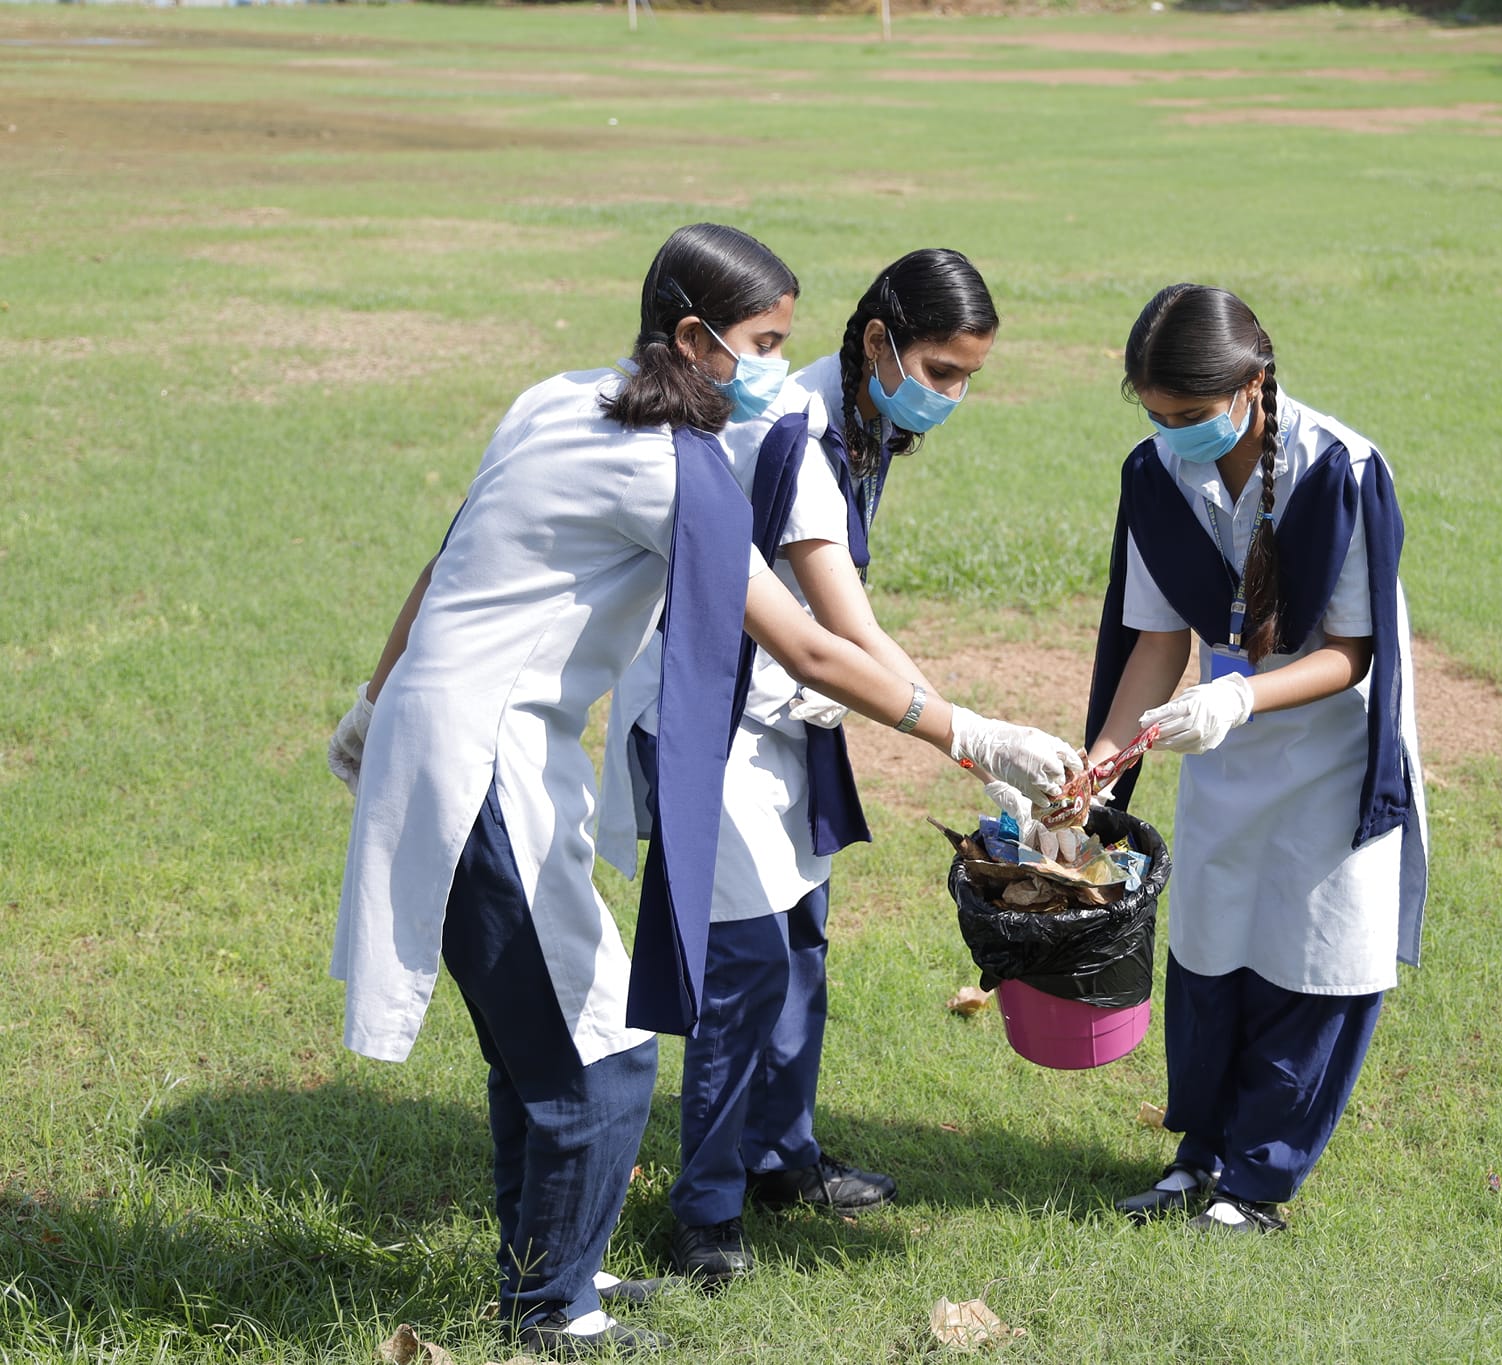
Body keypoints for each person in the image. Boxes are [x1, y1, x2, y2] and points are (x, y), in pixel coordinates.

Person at [326, 224, 1078, 1359]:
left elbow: (444, 563)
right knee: (600, 1056)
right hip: (479, 762)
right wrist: (970, 735)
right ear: (692, 337)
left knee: (539, 1047)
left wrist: (373, 703)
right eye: (763, 342)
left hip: (465, 742)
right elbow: (816, 650)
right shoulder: (669, 464)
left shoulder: (555, 396)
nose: (778, 365)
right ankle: (550, 1316)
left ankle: (550, 1275)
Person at [594, 247, 1003, 1287]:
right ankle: (705, 1214)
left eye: (965, 378)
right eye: (939, 370)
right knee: (741, 970)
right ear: (877, 343)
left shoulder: (860, 423)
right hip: (713, 715)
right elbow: (840, 626)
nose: (950, 396)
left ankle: (782, 1158)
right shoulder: (794, 428)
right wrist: (969, 738)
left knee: (801, 947)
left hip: (785, 713)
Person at [1082, 283, 1428, 1234]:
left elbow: (1350, 653)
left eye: (1190, 417)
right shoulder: (1155, 475)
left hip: (1326, 747)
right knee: (1212, 946)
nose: (1172, 434)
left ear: (1254, 384)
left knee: (1307, 957)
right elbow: (1153, 641)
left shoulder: (1341, 470)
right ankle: (1199, 1158)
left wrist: (1236, 693)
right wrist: (1103, 762)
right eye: (1155, 415)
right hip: (1218, 745)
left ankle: (1258, 1181)